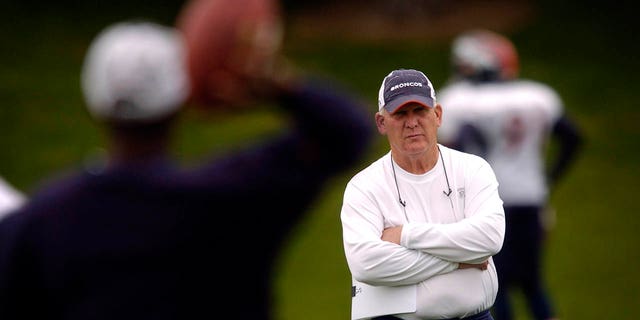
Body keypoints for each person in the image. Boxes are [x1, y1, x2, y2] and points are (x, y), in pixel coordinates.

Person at [0, 19, 374, 320]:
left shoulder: (43, 222)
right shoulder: (233, 198)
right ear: (181, 98)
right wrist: (279, 85)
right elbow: (348, 132)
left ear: (94, 102)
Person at [437, 29, 583, 320]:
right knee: (533, 283)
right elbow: (573, 138)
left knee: (495, 283)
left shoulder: (458, 100)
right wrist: (546, 180)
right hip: (531, 198)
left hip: (490, 203)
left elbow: (462, 145)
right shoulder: (536, 95)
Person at [340, 68, 505, 320]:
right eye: (400, 113)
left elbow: (489, 239)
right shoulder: (364, 186)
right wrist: (460, 260)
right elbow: (367, 264)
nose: (412, 122)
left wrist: (405, 234)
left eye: (420, 111)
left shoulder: (473, 168)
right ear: (382, 122)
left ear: (437, 115)